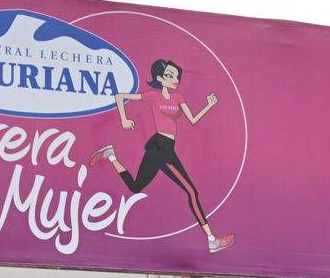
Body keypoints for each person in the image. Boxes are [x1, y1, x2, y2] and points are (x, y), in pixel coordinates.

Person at [94, 58, 235, 254]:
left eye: (176, 75)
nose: (175, 78)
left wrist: (208, 105)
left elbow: (193, 119)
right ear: (160, 78)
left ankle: (111, 156)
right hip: (160, 147)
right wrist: (124, 119)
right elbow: (120, 96)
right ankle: (211, 240)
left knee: (136, 187)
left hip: (165, 147)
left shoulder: (179, 98)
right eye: (169, 75)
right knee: (192, 192)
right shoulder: (152, 95)